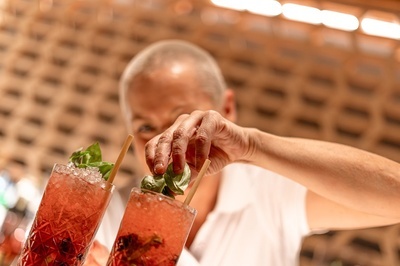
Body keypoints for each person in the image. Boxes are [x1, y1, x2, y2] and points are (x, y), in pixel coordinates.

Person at [118, 39, 400, 265]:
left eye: (181, 117)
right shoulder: (111, 213)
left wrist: (253, 146)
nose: (166, 139)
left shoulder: (268, 193)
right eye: (145, 126)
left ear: (227, 108)